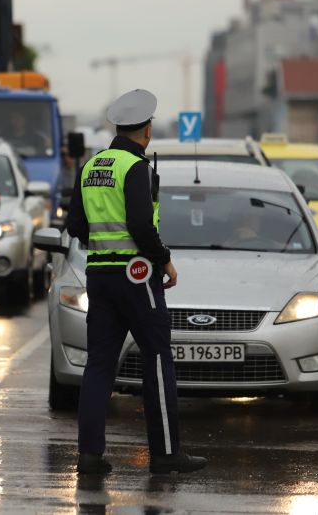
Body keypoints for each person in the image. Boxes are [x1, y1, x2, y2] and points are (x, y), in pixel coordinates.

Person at [66, 89, 208, 476]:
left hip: (99, 275)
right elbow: (142, 225)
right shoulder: (136, 168)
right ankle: (165, 454)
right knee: (158, 356)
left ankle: (90, 456)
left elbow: (75, 226)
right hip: (137, 275)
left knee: (99, 365)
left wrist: (102, 246)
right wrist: (164, 260)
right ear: (146, 130)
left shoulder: (91, 166)